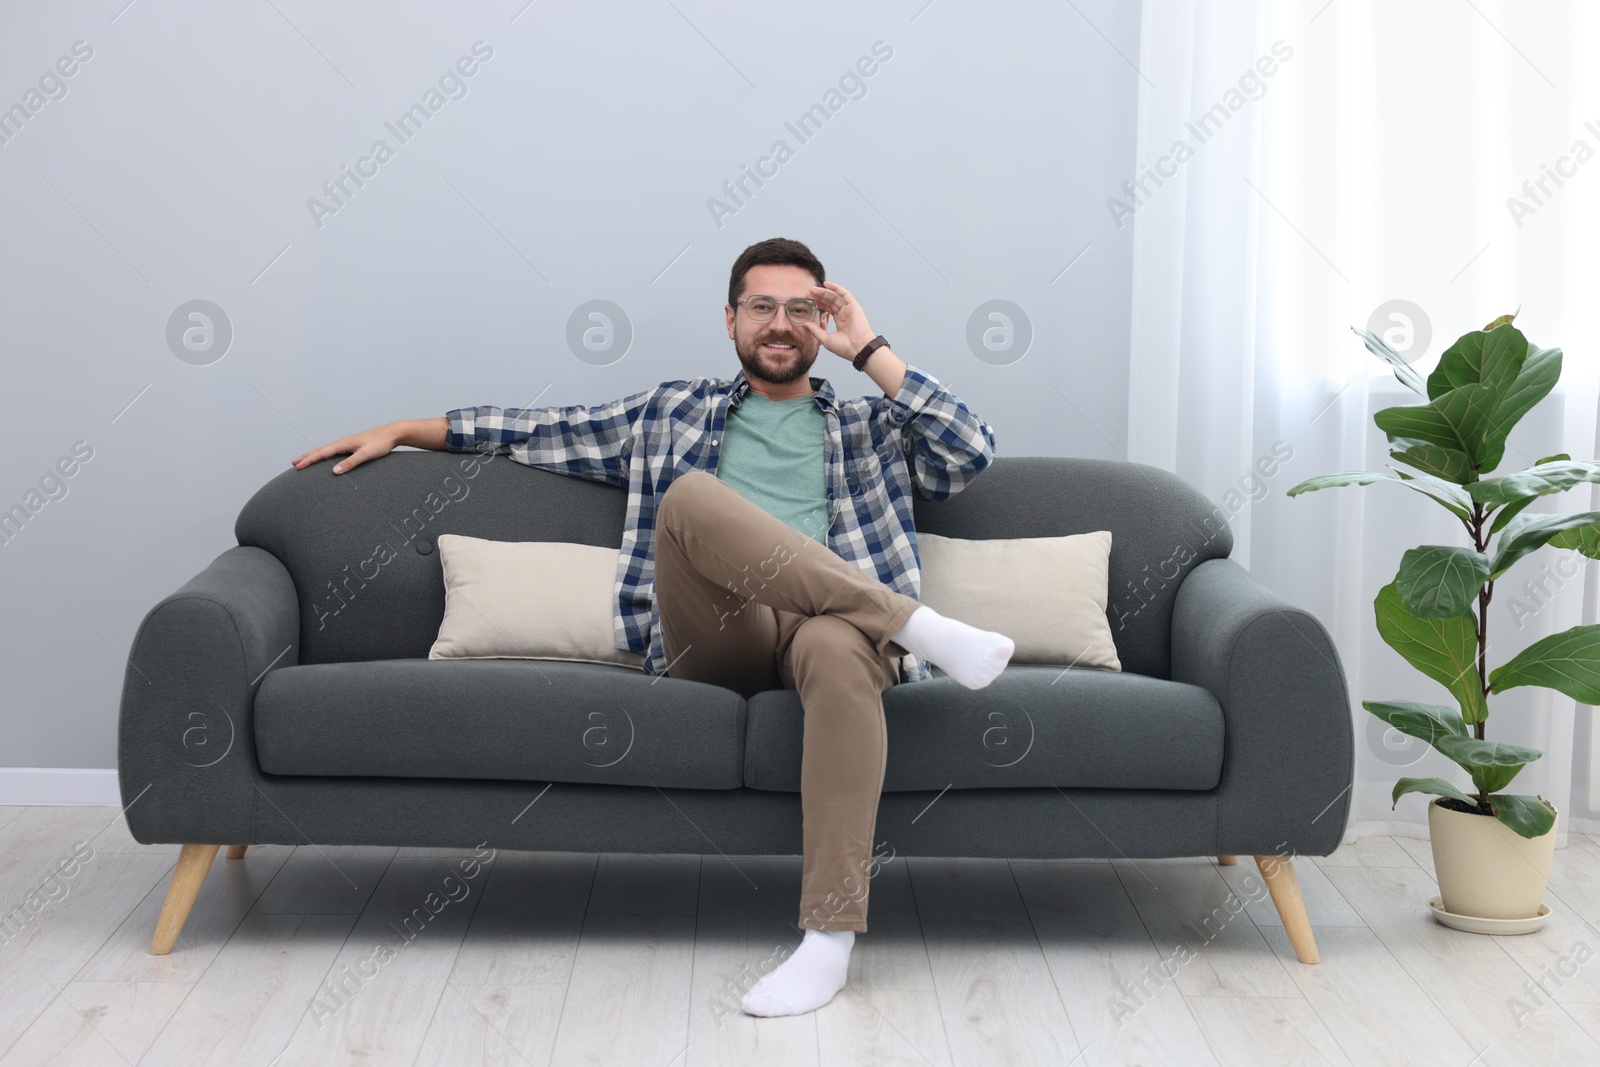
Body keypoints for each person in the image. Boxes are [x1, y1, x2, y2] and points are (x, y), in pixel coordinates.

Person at [289, 236, 1014, 1017]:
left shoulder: (871, 427)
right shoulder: (670, 411)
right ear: (730, 320)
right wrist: (403, 428)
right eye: (762, 307)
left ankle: (828, 942)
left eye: (802, 309)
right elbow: (535, 430)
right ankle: (915, 625)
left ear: (822, 323)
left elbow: (969, 448)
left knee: (842, 649)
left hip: (826, 628)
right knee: (691, 498)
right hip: (719, 632)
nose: (781, 323)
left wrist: (868, 346)